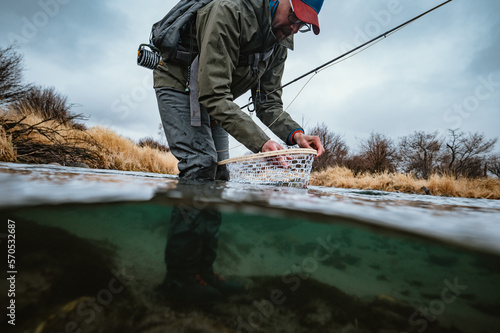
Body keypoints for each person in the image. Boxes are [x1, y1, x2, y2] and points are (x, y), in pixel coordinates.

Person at [154, 0, 326, 302]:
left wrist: (296, 134)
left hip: (218, 98)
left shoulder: (281, 43)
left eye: (304, 24)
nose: (294, 28)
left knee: (219, 174)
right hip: (180, 82)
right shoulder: (229, 10)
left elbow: (268, 103)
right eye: (295, 17)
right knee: (200, 165)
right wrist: (261, 142)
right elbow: (211, 92)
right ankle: (178, 279)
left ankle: (203, 272)